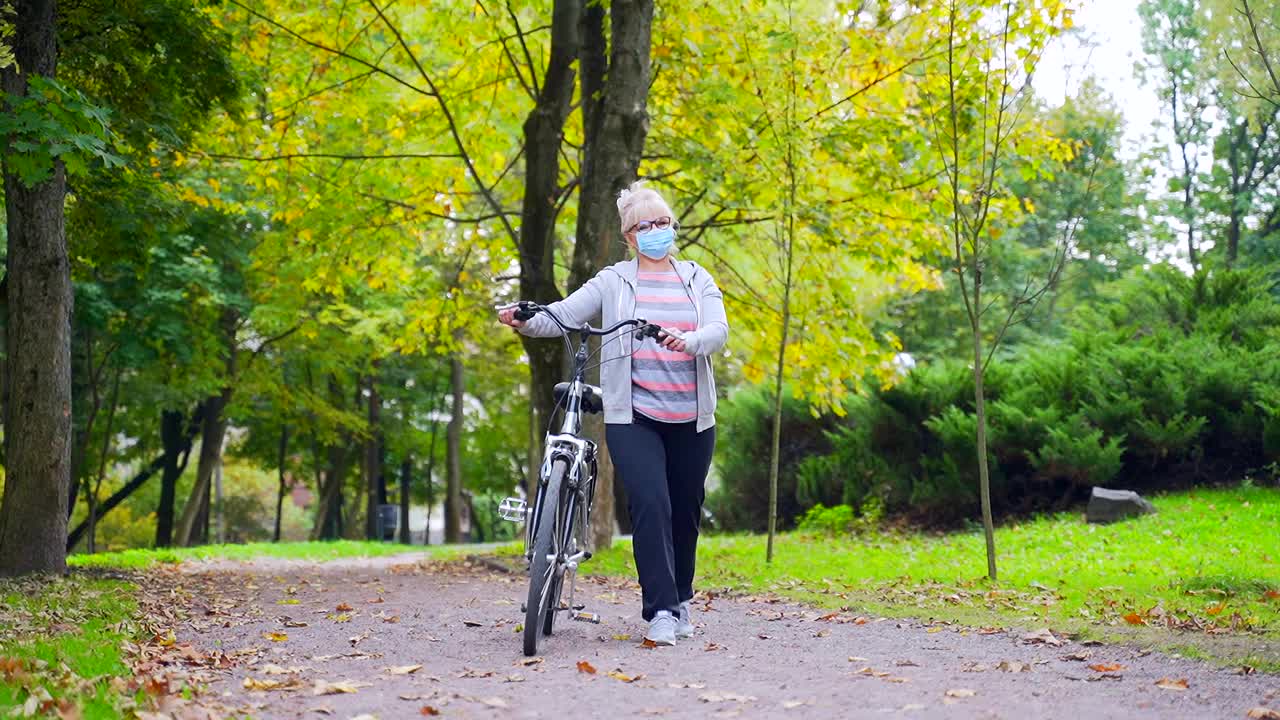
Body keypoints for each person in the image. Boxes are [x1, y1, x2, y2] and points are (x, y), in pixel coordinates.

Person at [497, 181, 728, 646]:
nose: (657, 231)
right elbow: (562, 314)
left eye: (663, 223)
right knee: (650, 504)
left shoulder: (697, 277)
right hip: (634, 414)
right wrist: (524, 318)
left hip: (692, 416)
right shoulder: (614, 280)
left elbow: (718, 329)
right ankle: (660, 610)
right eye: (645, 226)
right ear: (629, 235)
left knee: (685, 511)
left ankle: (681, 600)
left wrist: (692, 340)